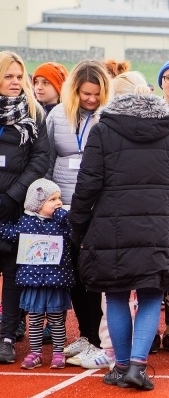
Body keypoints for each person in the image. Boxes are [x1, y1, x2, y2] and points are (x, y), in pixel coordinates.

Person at [70, 70, 169, 390]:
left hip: (112, 227)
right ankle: (138, 365)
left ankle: (121, 366)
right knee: (152, 295)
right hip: (159, 226)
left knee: (117, 295)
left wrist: (79, 227)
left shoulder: (103, 129)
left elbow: (87, 185)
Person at [46, 59, 112, 369]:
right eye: (85, 93)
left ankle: (98, 339)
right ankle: (85, 334)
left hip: (96, 209)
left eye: (96, 94)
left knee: (93, 276)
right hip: (62, 207)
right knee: (71, 274)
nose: (90, 99)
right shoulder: (57, 116)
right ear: (74, 91)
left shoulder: (108, 118)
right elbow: (47, 159)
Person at [0, 51, 50, 365]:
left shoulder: (35, 113)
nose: (16, 82)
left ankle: (6, 337)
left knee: (14, 276)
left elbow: (41, 160)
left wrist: (13, 196)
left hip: (15, 209)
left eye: (20, 76)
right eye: (9, 76)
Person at [1, 179, 74, 369]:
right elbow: (10, 233)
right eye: (52, 200)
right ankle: (35, 353)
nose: (58, 202)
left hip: (55, 281)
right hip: (32, 281)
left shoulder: (61, 224)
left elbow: (75, 230)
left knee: (56, 319)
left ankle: (58, 352)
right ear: (37, 205)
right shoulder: (26, 222)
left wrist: (64, 217)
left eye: (59, 198)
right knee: (34, 319)